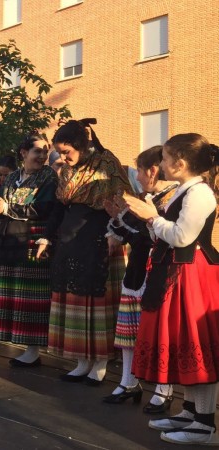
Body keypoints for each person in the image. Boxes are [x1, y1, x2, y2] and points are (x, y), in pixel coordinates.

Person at [124, 134, 219, 445]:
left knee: (196, 342)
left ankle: (205, 424)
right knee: (183, 342)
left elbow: (181, 237)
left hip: (191, 274)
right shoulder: (185, 189)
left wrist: (151, 218)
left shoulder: (201, 193)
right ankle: (191, 412)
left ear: (180, 163)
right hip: (177, 272)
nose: (161, 164)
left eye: (164, 159)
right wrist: (150, 218)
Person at [36, 119, 131, 385]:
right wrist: (47, 237)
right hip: (70, 241)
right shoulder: (66, 172)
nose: (64, 158)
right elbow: (59, 206)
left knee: (96, 304)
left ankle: (100, 361)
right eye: (61, 153)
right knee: (74, 301)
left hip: (100, 238)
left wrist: (116, 233)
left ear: (80, 145)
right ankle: (82, 360)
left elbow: (123, 201)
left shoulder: (106, 163)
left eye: (67, 152)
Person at [0, 134, 58, 365]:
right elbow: (0, 203)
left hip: (30, 241)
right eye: (37, 151)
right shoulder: (13, 177)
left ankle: (32, 351)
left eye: (45, 152)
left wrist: (7, 207)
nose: (42, 156)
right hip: (6, 239)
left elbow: (45, 207)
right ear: (23, 153)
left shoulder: (48, 176)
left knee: (28, 297)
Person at [100, 146, 178, 409]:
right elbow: (130, 235)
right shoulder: (149, 198)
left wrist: (132, 221)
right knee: (129, 332)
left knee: (156, 334)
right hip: (137, 271)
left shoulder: (171, 199)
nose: (139, 179)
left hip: (158, 272)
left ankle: (163, 388)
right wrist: (118, 219)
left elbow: (159, 236)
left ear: (151, 171)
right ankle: (129, 381)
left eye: (140, 173)